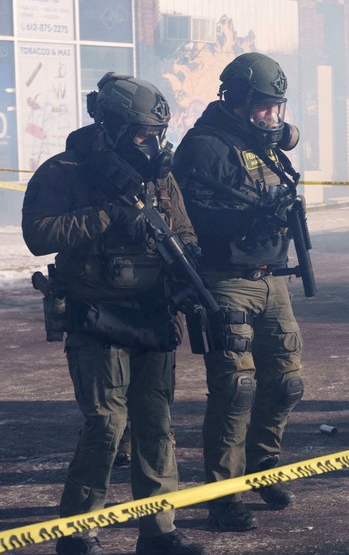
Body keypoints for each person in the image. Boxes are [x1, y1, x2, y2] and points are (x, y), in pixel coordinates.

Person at [22, 73, 206, 555]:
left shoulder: (159, 176)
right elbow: (38, 233)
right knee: (106, 425)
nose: (154, 144)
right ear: (114, 126)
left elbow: (183, 227)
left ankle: (159, 530)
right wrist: (107, 216)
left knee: (155, 424)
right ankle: (77, 532)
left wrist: (188, 260)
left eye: (159, 134)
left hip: (152, 314)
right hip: (95, 315)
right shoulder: (65, 170)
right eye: (144, 134)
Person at [172, 52, 305, 532]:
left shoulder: (263, 145)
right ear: (238, 100)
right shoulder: (203, 147)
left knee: (286, 381)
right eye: (264, 106)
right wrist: (247, 220)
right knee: (235, 389)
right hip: (225, 280)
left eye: (278, 107)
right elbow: (191, 216)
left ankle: (262, 468)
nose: (273, 117)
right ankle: (223, 496)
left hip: (271, 278)